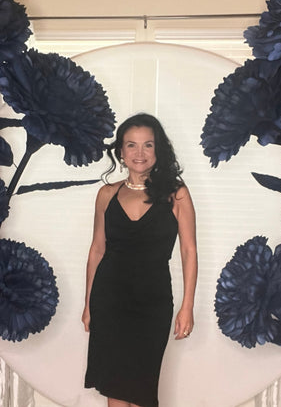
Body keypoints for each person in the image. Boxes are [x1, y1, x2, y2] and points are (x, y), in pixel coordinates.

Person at [82, 113, 198, 407]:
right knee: (115, 387)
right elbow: (97, 250)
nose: (140, 153)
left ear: (158, 149)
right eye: (131, 145)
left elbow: (189, 251)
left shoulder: (176, 195)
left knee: (142, 390)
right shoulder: (106, 194)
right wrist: (88, 304)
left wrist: (187, 306)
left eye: (148, 144)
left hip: (152, 303)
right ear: (121, 151)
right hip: (109, 300)